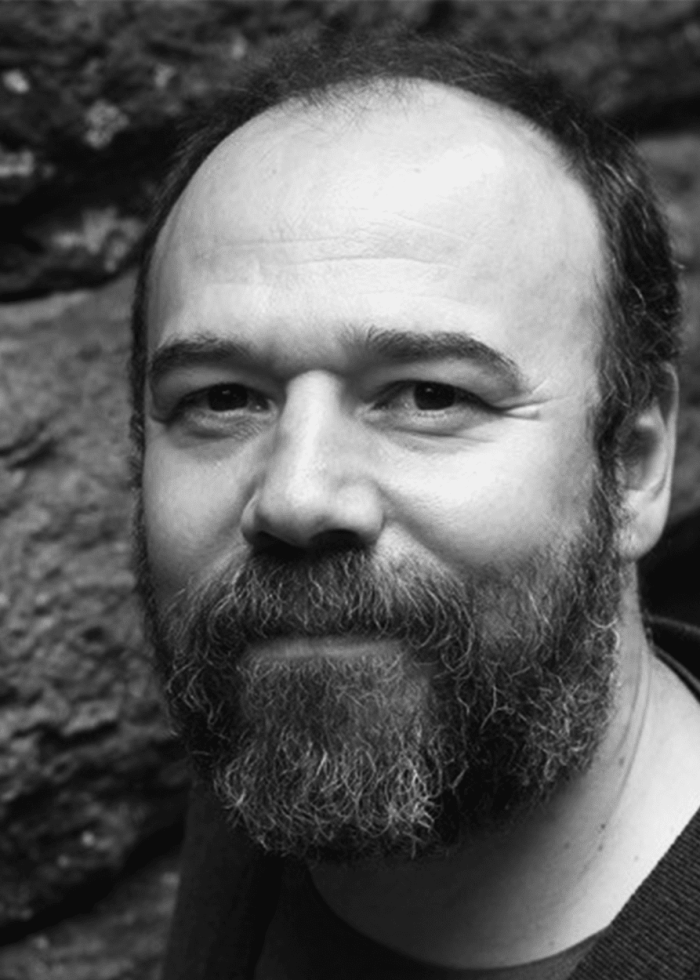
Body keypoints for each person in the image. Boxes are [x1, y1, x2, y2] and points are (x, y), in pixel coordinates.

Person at [130, 27, 700, 980]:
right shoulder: (283, 734)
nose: (297, 496)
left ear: (634, 465)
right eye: (221, 398)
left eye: (431, 395)